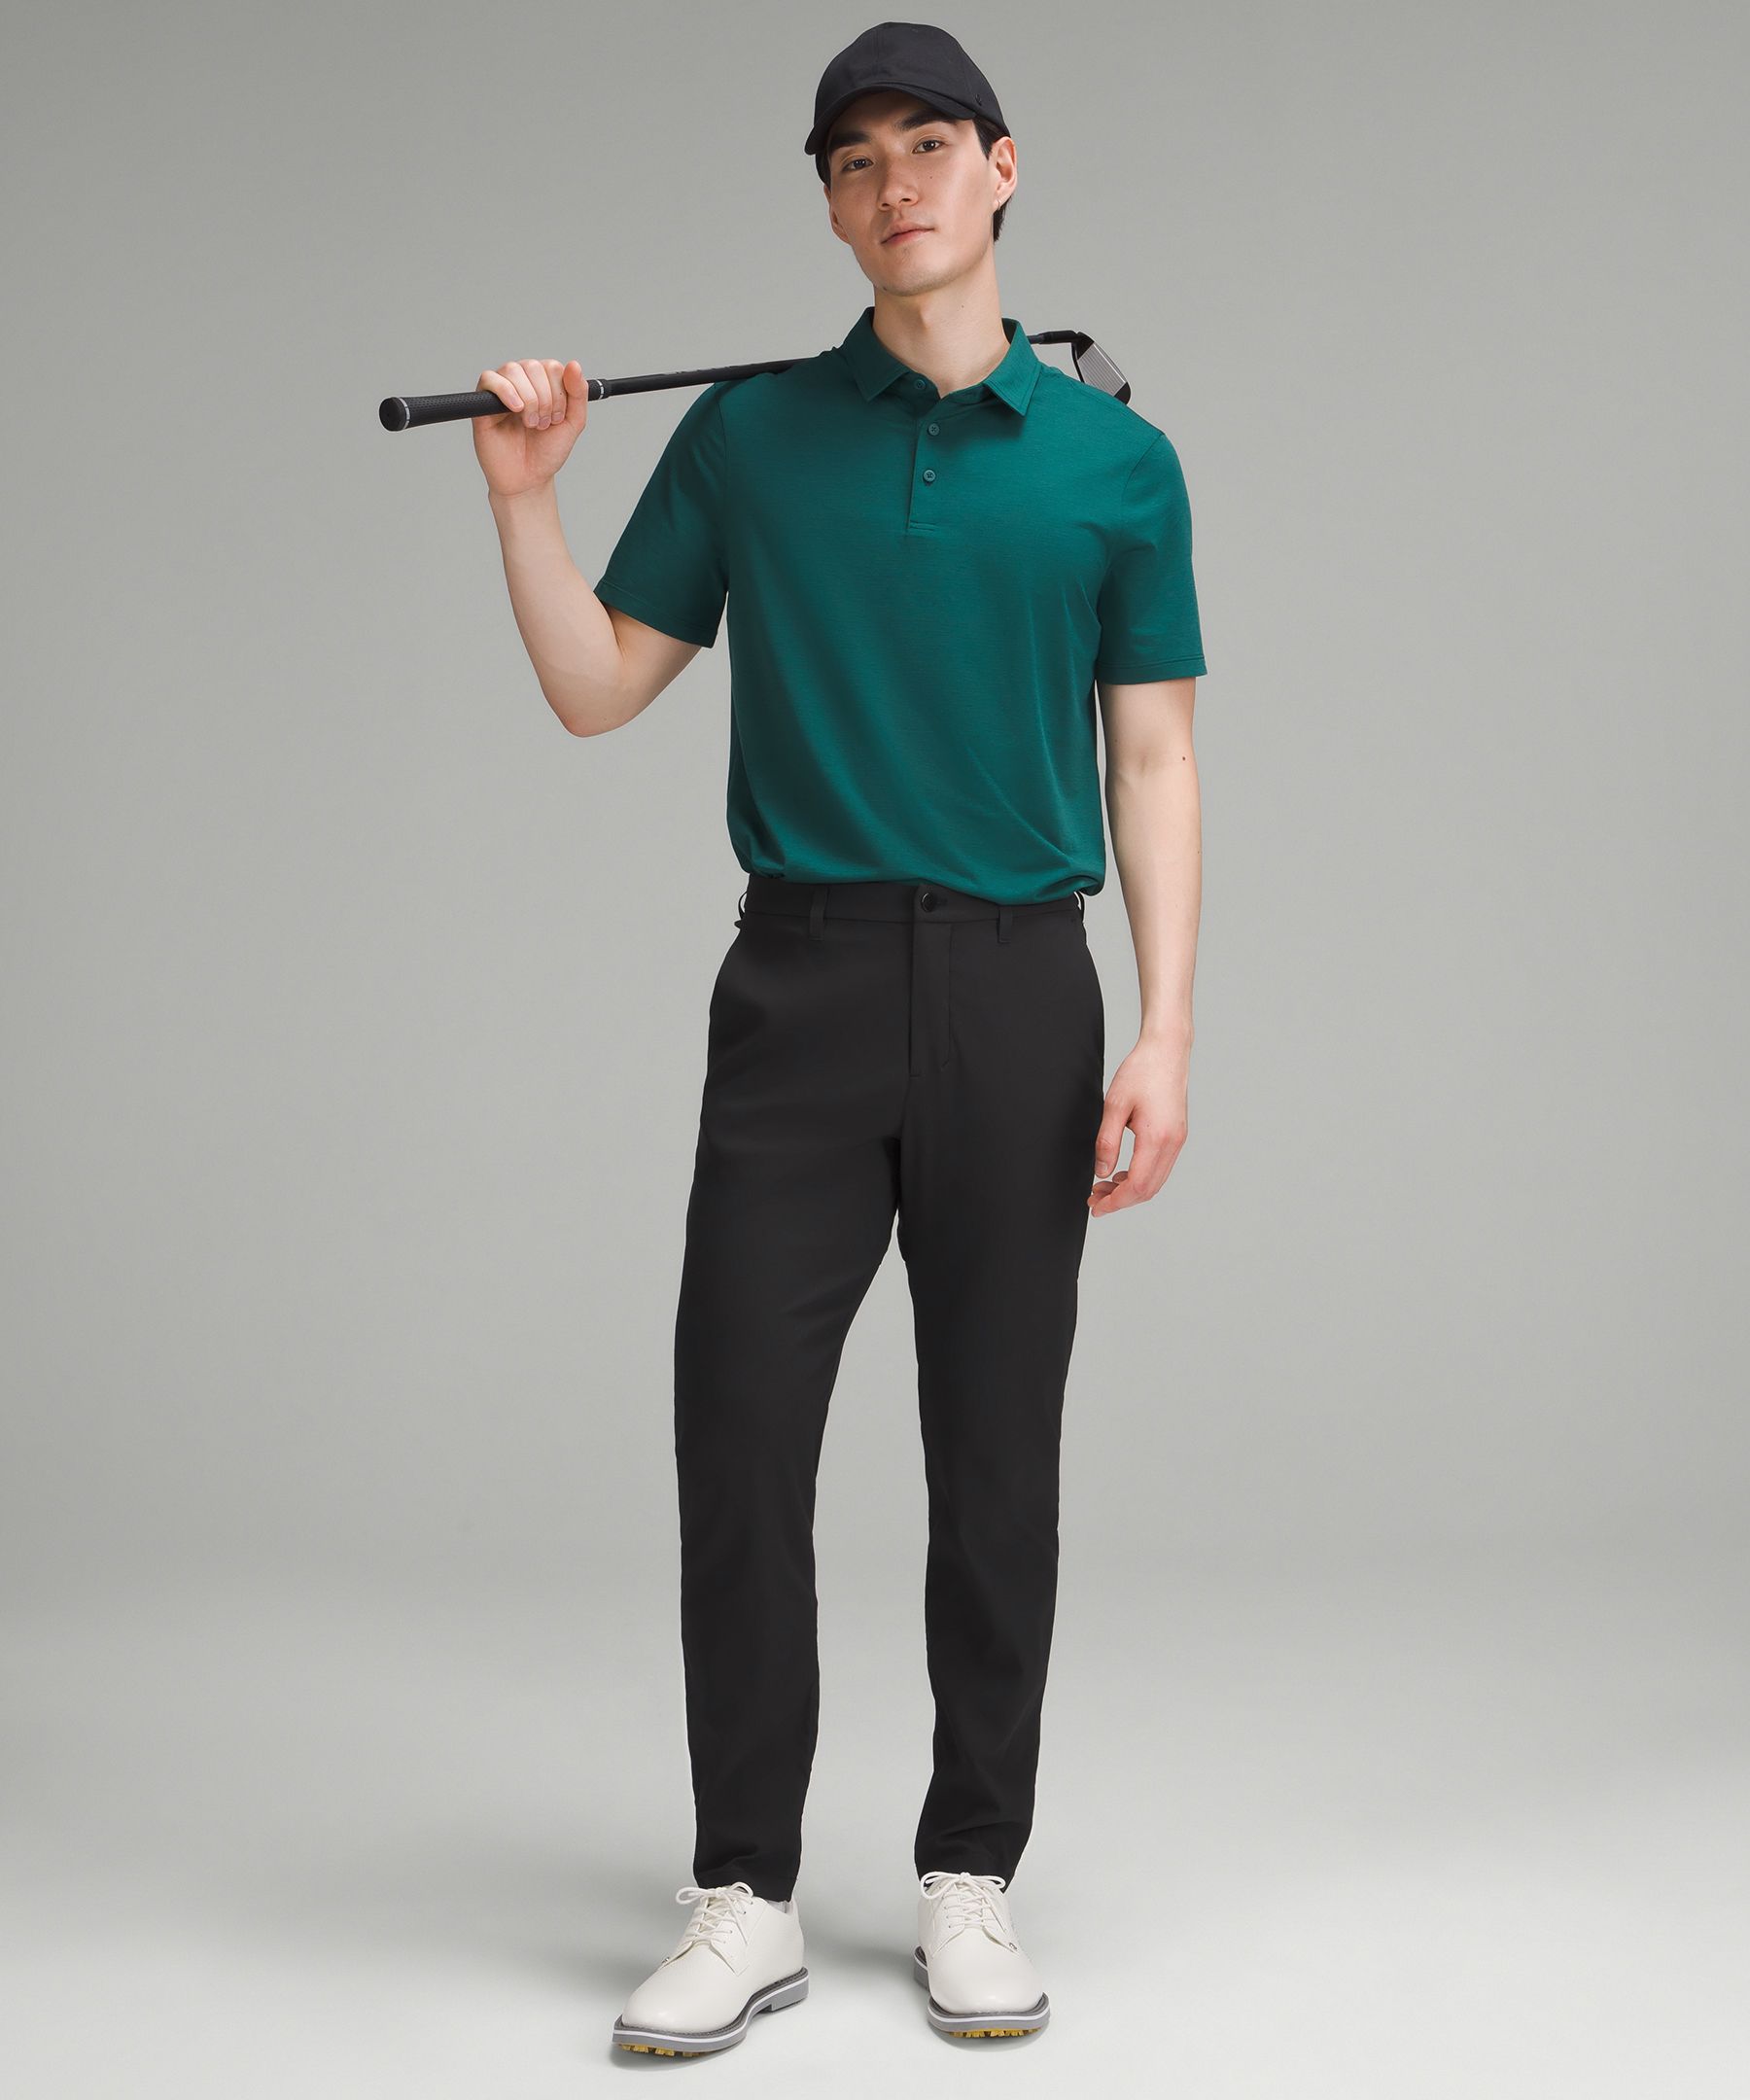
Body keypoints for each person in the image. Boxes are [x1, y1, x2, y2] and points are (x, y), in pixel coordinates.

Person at [472, 19, 1208, 2056]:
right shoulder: (749, 439)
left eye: (930, 146)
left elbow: (1154, 758)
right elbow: (597, 689)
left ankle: (972, 1874)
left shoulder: (1117, 463)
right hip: (795, 990)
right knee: (736, 1439)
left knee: (996, 1455)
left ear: (1002, 168)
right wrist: (528, 503)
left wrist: (1166, 1029)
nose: (897, 185)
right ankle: (746, 1895)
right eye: (856, 159)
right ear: (828, 204)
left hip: (1018, 989)